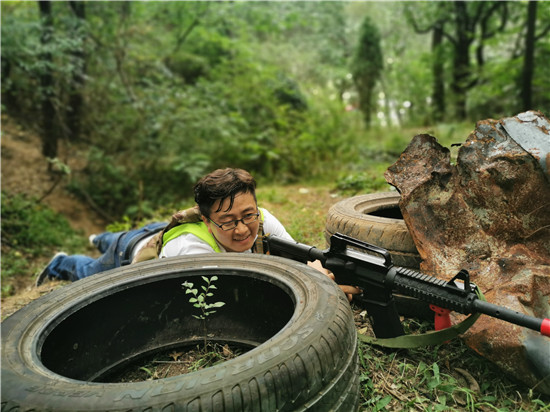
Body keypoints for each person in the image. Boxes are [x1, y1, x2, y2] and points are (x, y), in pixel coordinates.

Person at [36, 168, 360, 299]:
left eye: (248, 215)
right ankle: (60, 262)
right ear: (207, 222)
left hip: (155, 231)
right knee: (89, 269)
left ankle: (102, 235)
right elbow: (223, 300)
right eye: (228, 221)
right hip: (136, 254)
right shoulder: (189, 251)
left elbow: (296, 258)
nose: (244, 228)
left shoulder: (261, 220)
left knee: (114, 234)